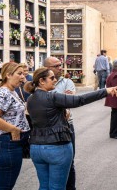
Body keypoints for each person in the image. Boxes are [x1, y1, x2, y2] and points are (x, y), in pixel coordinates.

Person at [24, 67, 117, 190]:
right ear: (42, 81)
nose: (55, 80)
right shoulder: (53, 97)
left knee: (44, 186)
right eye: (52, 78)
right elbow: (80, 100)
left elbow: (39, 119)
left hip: (36, 148)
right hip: (57, 146)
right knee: (57, 187)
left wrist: (62, 114)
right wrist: (105, 91)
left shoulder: (31, 99)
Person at [0, 62, 30, 190]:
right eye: (19, 73)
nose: (23, 77)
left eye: (24, 73)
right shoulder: (4, 93)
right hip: (7, 144)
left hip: (10, 144)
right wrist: (13, 129)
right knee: (4, 185)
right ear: (8, 75)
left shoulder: (12, 91)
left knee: (6, 183)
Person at [44, 56, 77, 190]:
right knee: (49, 162)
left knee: (69, 161)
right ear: (47, 68)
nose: (60, 68)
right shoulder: (40, 82)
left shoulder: (67, 81)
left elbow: (71, 99)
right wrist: (62, 97)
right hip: (47, 127)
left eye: (60, 65)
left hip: (66, 125)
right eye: (56, 66)